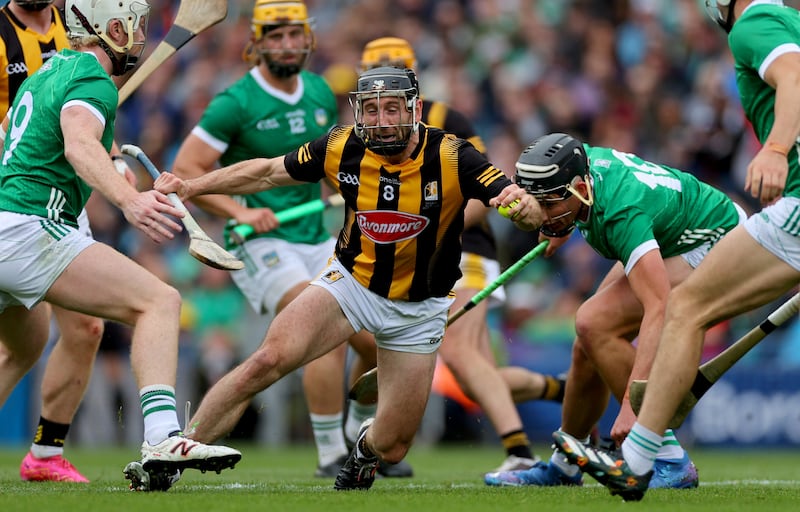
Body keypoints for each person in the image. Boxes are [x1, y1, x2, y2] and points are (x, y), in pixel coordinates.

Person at [154, 65, 542, 491]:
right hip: (351, 285)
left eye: (392, 109)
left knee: (393, 447)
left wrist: (524, 208)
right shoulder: (341, 144)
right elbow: (266, 171)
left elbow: (512, 199)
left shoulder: (452, 155)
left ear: (414, 109)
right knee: (268, 359)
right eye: (371, 110)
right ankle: (175, 451)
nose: (381, 120)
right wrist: (193, 186)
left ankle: (364, 449)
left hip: (420, 309)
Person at [550, 0, 800, 502]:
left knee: (685, 307)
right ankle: (642, 458)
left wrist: (774, 148)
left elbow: (795, 77)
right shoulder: (788, 22)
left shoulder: (754, 21)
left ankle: (644, 459)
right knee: (676, 309)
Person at [0, 0, 241, 492]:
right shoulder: (92, 79)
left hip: (7, 224)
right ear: (115, 28)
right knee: (159, 301)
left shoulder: (49, 70)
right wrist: (129, 200)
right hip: (28, 229)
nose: (139, 37)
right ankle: (162, 437)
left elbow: (20, 138)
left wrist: (108, 166)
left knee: (25, 344)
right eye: (135, 27)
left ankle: (46, 452)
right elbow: (77, 144)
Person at [169, 0, 403, 479]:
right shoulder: (234, 103)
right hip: (256, 243)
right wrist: (241, 211)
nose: (288, 45)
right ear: (256, 42)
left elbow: (335, 164)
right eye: (276, 36)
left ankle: (363, 439)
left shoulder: (319, 91)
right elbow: (188, 171)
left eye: (296, 35)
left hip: (316, 235)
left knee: (375, 339)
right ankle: (329, 454)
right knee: (325, 320)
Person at [485, 133, 746, 490]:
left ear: (579, 187)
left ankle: (666, 455)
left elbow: (660, 309)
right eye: (537, 202)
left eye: (549, 204)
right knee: (587, 341)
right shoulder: (577, 167)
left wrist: (632, 407)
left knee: (594, 323)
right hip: (674, 234)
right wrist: (556, 225)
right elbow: (564, 193)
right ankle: (566, 464)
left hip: (717, 242)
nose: (542, 212)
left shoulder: (621, 211)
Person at [356, 36, 565, 472]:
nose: (383, 85)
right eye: (376, 71)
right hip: (408, 262)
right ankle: (568, 388)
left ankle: (519, 454)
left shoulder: (446, 119)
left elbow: (481, 192)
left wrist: (428, 224)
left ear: (413, 77)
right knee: (475, 377)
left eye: (395, 67)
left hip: (461, 249)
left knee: (460, 353)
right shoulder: (361, 133)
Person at [0, 0, 135, 483]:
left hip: (58, 199)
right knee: (24, 344)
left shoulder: (75, 25)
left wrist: (113, 159)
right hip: (15, 193)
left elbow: (86, 120)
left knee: (80, 330)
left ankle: (45, 454)